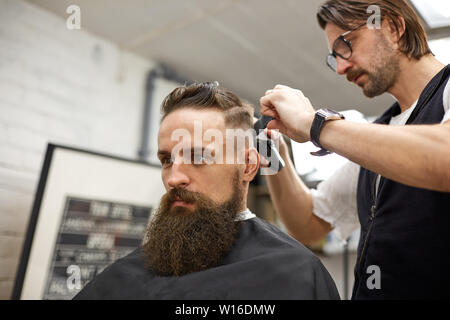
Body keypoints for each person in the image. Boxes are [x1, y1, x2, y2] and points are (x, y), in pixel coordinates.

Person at [74, 82, 339, 300]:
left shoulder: (295, 274)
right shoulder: (121, 277)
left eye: (198, 157)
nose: (174, 178)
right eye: (167, 160)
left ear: (248, 165)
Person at [260, 0, 450, 299]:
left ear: (393, 27)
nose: (340, 67)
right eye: (334, 56)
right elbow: (309, 223)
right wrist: (270, 150)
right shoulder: (380, 138)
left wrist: (316, 125)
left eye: (346, 43)